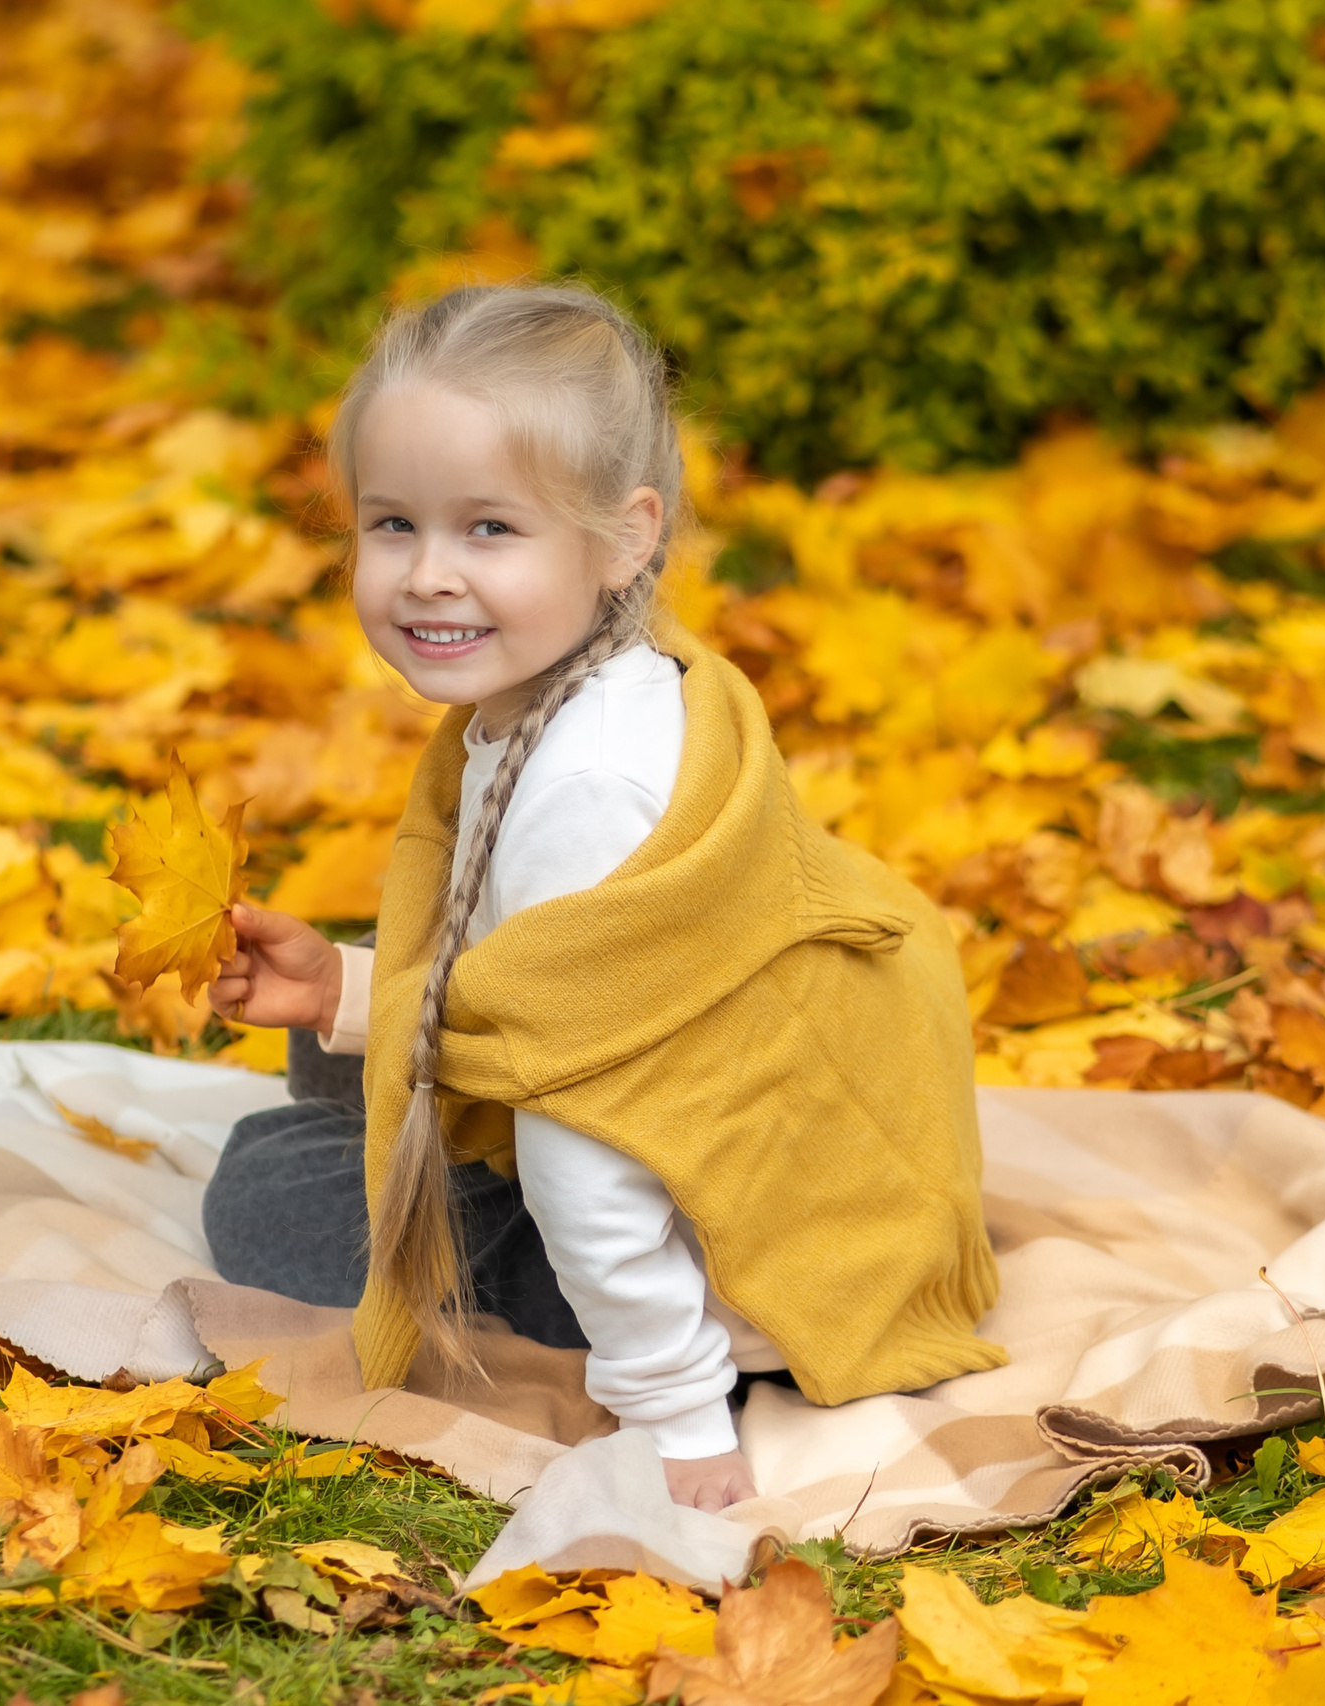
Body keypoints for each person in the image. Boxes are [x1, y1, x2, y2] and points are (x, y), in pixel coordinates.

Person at [200, 283, 1004, 1513]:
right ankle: (359, 1023)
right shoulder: (606, 680)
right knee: (323, 1070)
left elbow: (589, 1134)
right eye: (392, 523)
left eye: (488, 530)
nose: (427, 576)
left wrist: (677, 1410)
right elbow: (551, 985)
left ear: (627, 537)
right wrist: (345, 989)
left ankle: (691, 1349)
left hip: (732, 1253)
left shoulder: (586, 789)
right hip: (721, 1112)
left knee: (262, 1186)